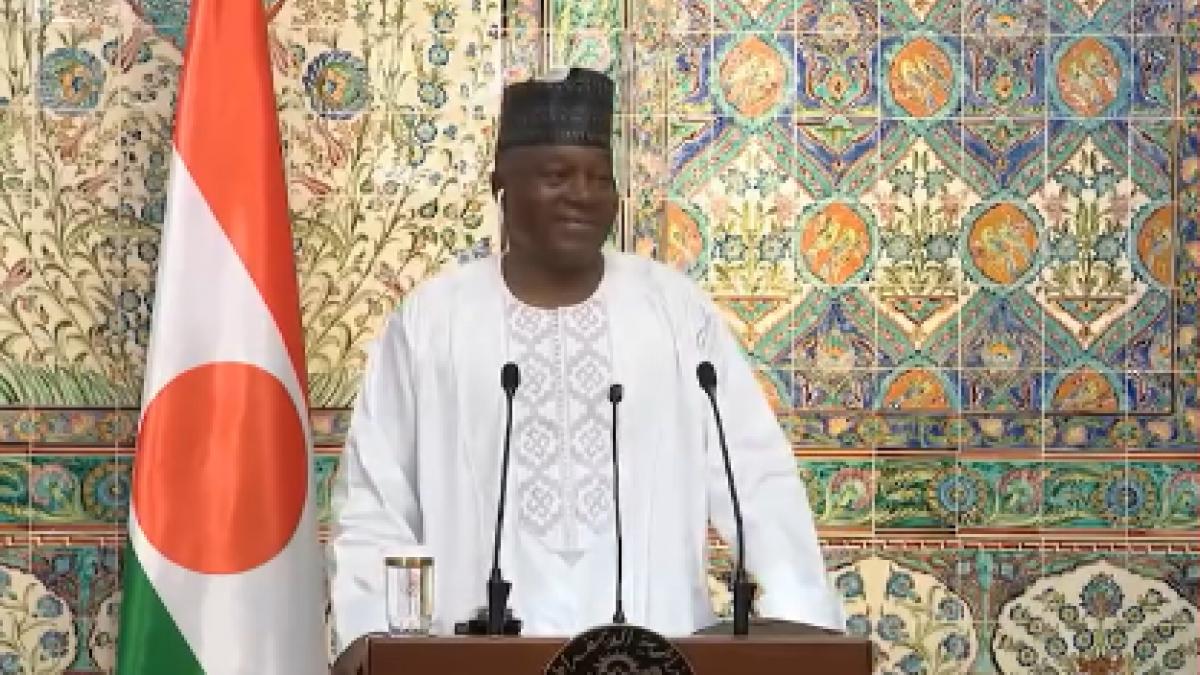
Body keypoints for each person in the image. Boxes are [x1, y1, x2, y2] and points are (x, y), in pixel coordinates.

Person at [327, 67, 844, 654]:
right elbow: (376, 501)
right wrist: (374, 638)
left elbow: (756, 477)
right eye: (557, 176)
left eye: (600, 178)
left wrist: (798, 620)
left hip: (653, 655)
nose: (583, 194)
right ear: (501, 185)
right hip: (478, 660)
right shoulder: (432, 320)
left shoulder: (673, 310)